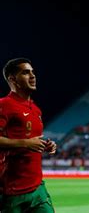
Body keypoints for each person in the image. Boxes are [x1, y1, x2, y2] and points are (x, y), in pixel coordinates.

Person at [0, 57, 57, 213]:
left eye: (32, 72)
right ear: (12, 79)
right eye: (26, 73)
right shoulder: (4, 104)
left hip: (38, 188)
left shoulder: (35, 109)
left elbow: (31, 140)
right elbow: (26, 142)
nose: (33, 76)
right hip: (11, 192)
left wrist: (45, 145)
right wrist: (25, 143)